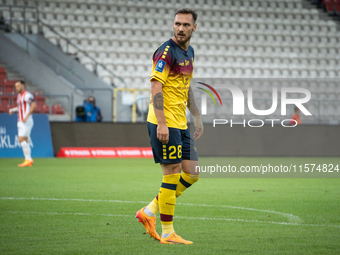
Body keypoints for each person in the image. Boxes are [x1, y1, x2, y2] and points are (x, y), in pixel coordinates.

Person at [135, 8, 203, 245]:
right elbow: (156, 87)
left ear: (194, 27)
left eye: (186, 25)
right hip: (164, 122)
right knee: (172, 174)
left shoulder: (190, 52)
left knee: (192, 173)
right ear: (173, 25)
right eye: (177, 24)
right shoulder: (166, 51)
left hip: (181, 122)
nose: (180, 28)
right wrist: (162, 123)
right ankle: (167, 232)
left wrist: (196, 114)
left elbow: (186, 86)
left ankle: (149, 211)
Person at [9, 80, 36, 167]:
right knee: (25, 140)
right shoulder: (19, 96)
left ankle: (28, 159)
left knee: (21, 139)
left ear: (23, 86)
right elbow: (21, 107)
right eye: (15, 86)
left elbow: (33, 105)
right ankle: (28, 160)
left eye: (18, 86)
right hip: (20, 121)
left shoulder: (27, 95)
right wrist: (13, 110)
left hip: (26, 121)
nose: (16, 88)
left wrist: (27, 116)